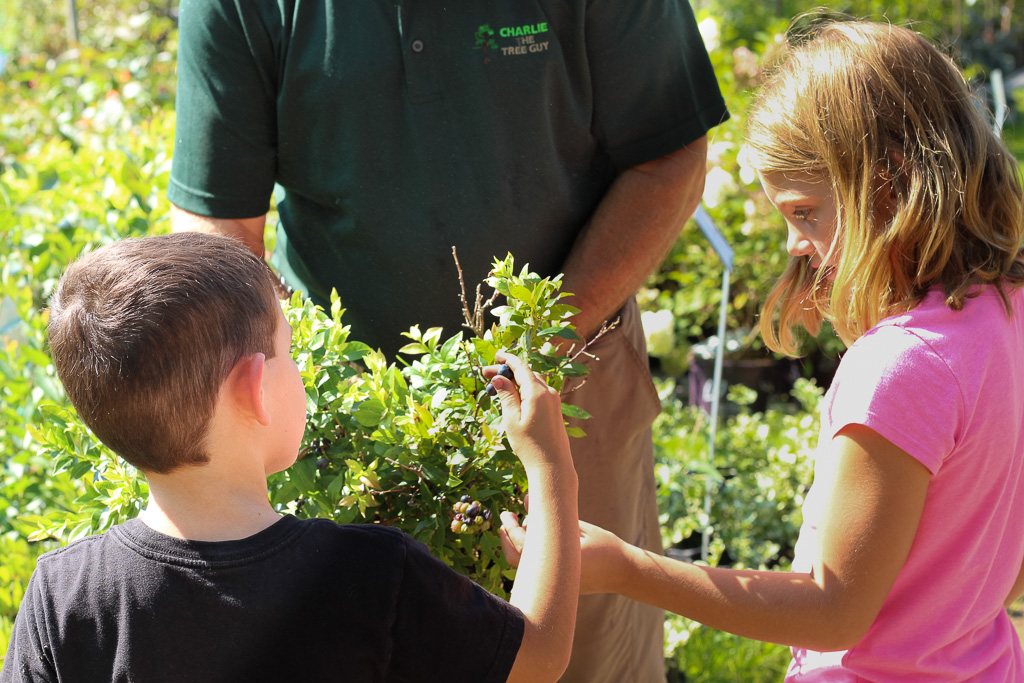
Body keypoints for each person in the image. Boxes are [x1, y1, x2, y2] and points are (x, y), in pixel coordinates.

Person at [166, 0, 729, 679]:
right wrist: (292, 384)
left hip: (566, 383)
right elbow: (215, 226)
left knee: (586, 649)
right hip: (345, 415)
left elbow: (669, 156)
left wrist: (539, 336)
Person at [502, 19, 1024, 681]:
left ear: (887, 186)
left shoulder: (901, 367)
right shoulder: (1006, 312)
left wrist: (628, 567)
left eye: (805, 211)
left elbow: (834, 611)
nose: (793, 244)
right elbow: (1003, 569)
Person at [0, 232, 580, 683]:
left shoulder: (63, 595)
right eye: (289, 352)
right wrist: (551, 469)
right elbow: (540, 656)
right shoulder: (374, 574)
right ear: (256, 390)